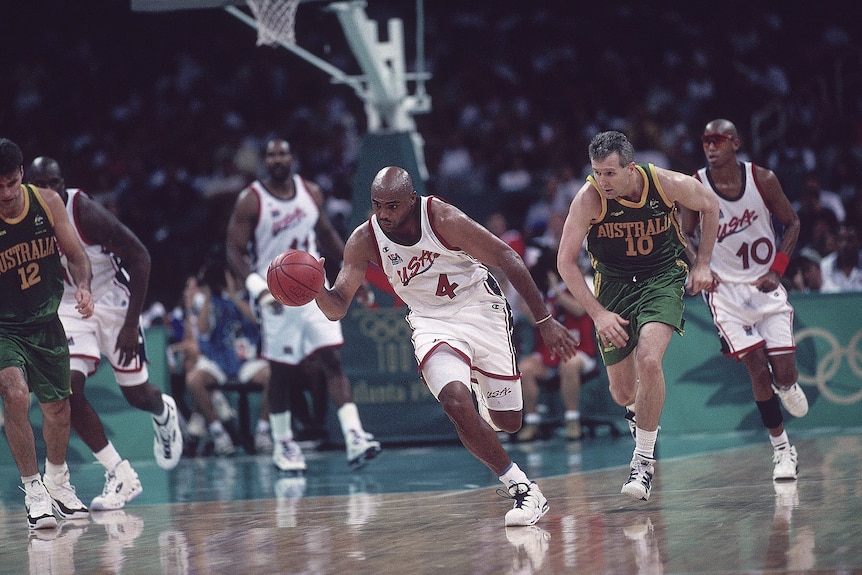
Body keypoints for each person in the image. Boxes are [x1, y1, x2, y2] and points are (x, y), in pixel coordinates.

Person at [314, 165, 579, 526]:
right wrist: (316, 289)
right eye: (377, 205)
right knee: (455, 403)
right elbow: (337, 306)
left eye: (392, 206)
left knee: (509, 422)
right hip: (430, 321)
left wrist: (545, 322)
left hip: (478, 308)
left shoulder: (443, 217)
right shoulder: (364, 239)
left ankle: (478, 386)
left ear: (411, 199)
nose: (384, 214)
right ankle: (523, 489)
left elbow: (508, 258)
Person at [556, 130, 720, 502]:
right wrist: (597, 314)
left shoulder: (665, 183)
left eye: (610, 173)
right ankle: (637, 414)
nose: (603, 181)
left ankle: (642, 463)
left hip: (662, 277)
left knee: (649, 359)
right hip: (613, 286)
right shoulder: (589, 200)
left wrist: (704, 264)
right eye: (597, 172)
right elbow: (564, 262)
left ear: (631, 169)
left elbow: (709, 205)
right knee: (623, 392)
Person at [28, 156, 183, 511]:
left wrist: (131, 323)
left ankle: (162, 410)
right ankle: (120, 474)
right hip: (69, 307)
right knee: (66, 389)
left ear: (62, 183)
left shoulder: (82, 209)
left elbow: (140, 256)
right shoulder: (23, 217)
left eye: (55, 183)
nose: (50, 191)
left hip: (113, 303)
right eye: (41, 186)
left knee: (137, 395)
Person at [225, 138, 380, 472]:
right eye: (271, 154)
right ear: (265, 160)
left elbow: (326, 234)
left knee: (332, 360)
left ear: (292, 157)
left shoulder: (311, 192)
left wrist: (356, 275)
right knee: (282, 372)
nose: (278, 159)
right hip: (275, 295)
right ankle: (284, 445)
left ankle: (355, 436)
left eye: (283, 153)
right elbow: (233, 249)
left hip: (313, 289)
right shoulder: (251, 200)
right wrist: (256, 286)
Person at [682, 118, 809, 481]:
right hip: (724, 293)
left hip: (765, 287)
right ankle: (782, 451)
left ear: (735, 143)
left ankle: (787, 385)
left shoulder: (762, 179)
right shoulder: (697, 185)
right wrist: (701, 265)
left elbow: (793, 222)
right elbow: (683, 234)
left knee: (783, 376)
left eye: (718, 140)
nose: (710, 146)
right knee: (756, 367)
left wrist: (778, 269)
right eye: (706, 140)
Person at [0, 139, 94, 529]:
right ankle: (33, 489)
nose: (4, 193)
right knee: (15, 394)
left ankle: (58, 481)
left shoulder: (47, 202)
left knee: (58, 409)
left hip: (46, 320)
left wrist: (84, 286)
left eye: (10, 182)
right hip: (4, 326)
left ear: (22, 173)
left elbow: (76, 255)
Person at [183, 259, 272, 456]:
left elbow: (257, 321)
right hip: (217, 361)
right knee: (194, 379)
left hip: (246, 360)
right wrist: (207, 297)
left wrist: (232, 295)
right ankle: (219, 434)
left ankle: (263, 432)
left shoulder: (251, 296)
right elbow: (203, 330)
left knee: (273, 377)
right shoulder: (204, 300)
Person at [820, 223, 862, 292]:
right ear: (836, 242)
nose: (844, 244)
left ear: (858, 242)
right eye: (841, 240)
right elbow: (825, 293)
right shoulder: (826, 265)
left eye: (850, 240)